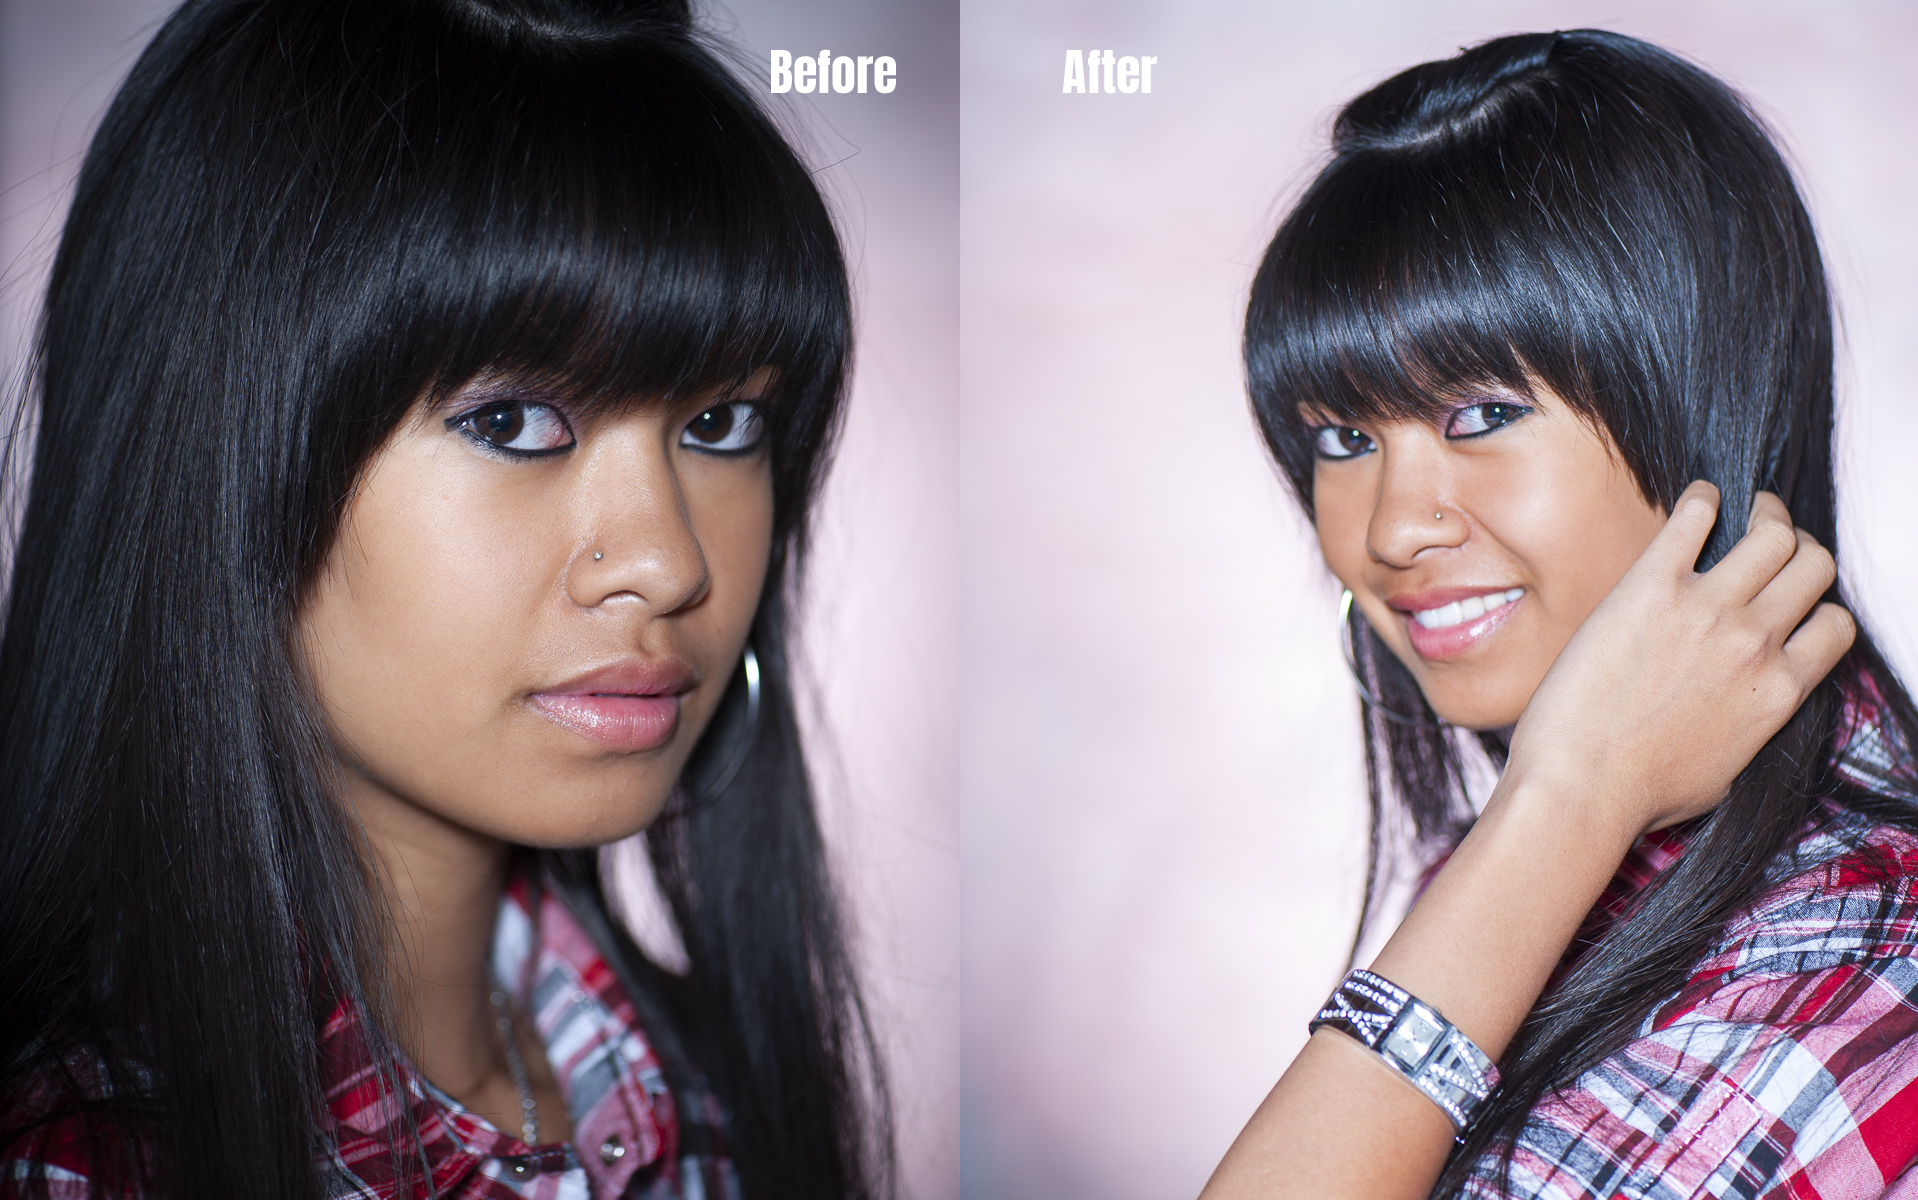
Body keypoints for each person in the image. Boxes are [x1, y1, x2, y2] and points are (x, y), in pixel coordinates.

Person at [0, 1, 892, 1197]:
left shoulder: (700, 1100)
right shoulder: (81, 1167)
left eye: (721, 424)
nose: (670, 563)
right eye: (515, 422)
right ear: (214, 452)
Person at [1204, 29, 1918, 1200]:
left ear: (1700, 399)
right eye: (1341, 439)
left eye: (1480, 414)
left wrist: (1565, 801)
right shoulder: (1534, 865)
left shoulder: (1853, 958)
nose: (1387, 530)